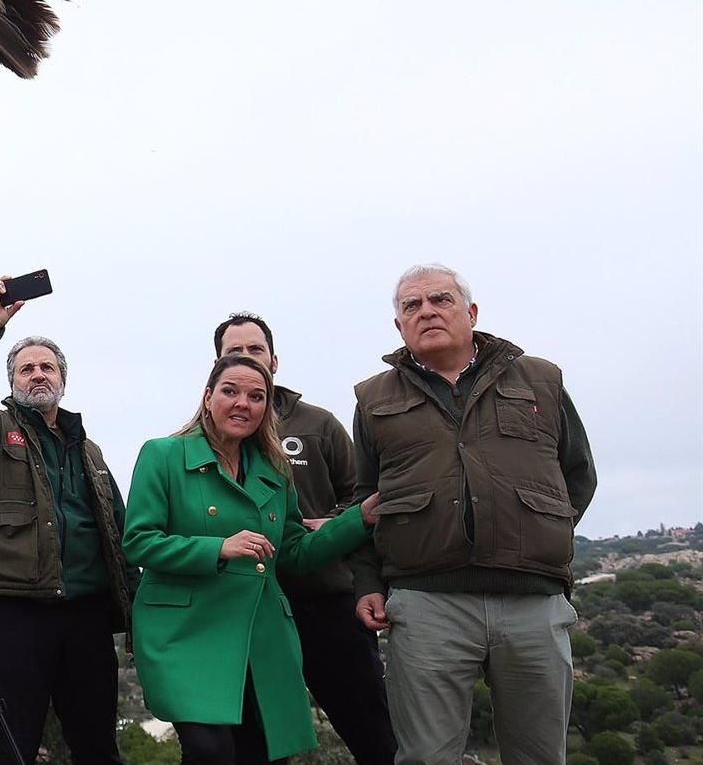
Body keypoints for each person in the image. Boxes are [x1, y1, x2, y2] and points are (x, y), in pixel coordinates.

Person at [348, 264, 596, 765]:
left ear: (471, 312)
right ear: (399, 326)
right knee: (426, 758)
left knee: (540, 756)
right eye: (411, 306)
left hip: (532, 602)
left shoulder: (541, 380)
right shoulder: (373, 398)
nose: (427, 312)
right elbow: (364, 500)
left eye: (440, 299)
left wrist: (536, 533)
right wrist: (367, 581)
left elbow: (578, 474)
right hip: (425, 603)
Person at [123, 354, 383, 764]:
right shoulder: (162, 455)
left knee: (261, 756)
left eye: (256, 396)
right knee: (210, 752)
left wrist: (359, 519)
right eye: (230, 391)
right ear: (208, 397)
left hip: (260, 637)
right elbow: (139, 542)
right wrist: (218, 548)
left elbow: (294, 553)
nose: (243, 403)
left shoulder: (276, 471)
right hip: (184, 634)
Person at [0, 276, 136, 765]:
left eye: (47, 367)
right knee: (9, 747)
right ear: (12, 381)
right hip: (13, 614)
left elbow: (119, 530)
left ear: (63, 379)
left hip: (88, 617)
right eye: (26, 369)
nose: (38, 375)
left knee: (97, 746)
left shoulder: (89, 451)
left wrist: (136, 612)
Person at [213, 314, 397, 764]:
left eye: (254, 350)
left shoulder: (319, 424)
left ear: (273, 359)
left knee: (373, 732)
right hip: (249, 610)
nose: (245, 359)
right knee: (256, 744)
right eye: (233, 353)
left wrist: (328, 524)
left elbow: (362, 497)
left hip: (327, 600)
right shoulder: (206, 439)